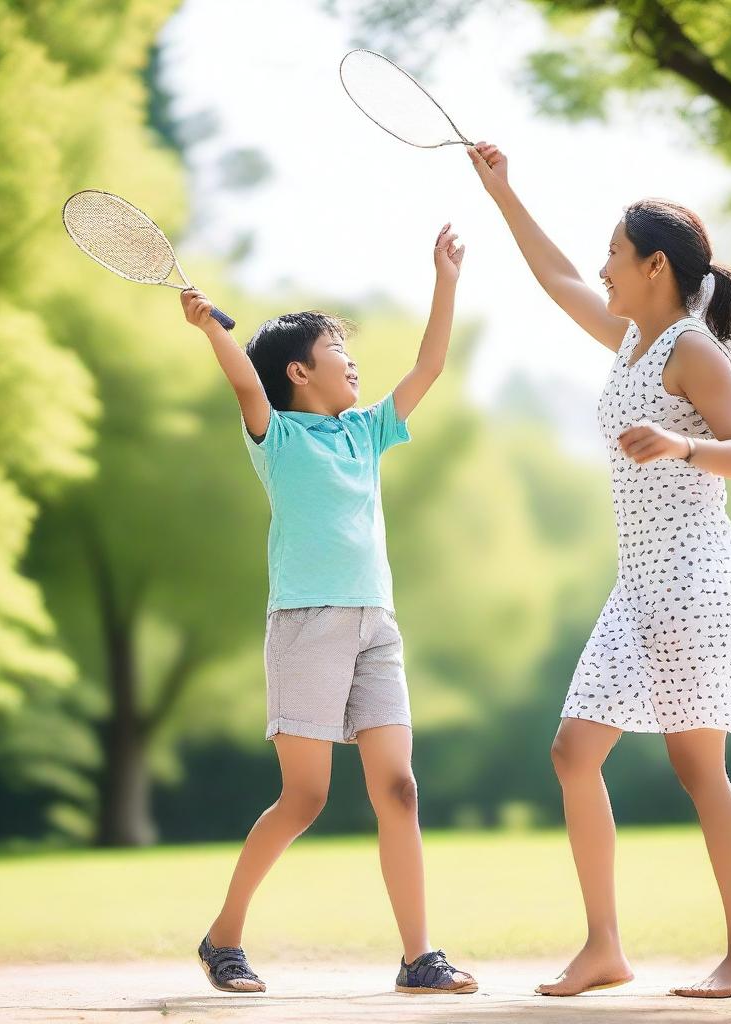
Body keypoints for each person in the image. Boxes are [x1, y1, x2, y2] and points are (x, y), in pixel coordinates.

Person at [467, 141, 731, 1000]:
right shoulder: (634, 341)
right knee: (574, 752)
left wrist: (683, 443)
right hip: (637, 588)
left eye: (613, 254)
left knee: (698, 771)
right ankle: (604, 948)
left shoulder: (691, 351)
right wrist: (504, 192)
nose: (602, 269)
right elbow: (556, 279)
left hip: (697, 584)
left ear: (654, 266)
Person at [181, 223, 477, 996]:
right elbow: (246, 385)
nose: (354, 363)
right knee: (305, 797)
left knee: (400, 788)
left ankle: (419, 957)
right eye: (339, 352)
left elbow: (431, 364)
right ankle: (223, 939)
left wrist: (444, 278)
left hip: (377, 625)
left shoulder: (366, 431)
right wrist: (214, 330)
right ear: (299, 371)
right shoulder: (275, 435)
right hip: (307, 624)